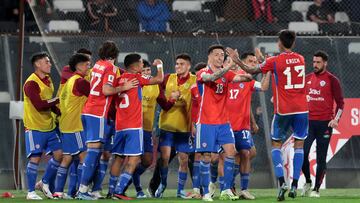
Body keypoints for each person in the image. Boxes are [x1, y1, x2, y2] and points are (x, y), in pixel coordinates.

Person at [227, 30, 308, 201]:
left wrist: (236, 61)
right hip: (302, 110)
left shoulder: (275, 60)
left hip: (284, 110)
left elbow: (252, 69)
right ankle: (294, 184)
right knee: (299, 146)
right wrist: (264, 60)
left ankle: (281, 182)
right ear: (293, 43)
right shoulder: (301, 59)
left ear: (279, 42)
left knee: (276, 144)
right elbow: (281, 67)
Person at [77, 41, 138, 200]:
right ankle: (82, 190)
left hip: (89, 111)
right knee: (93, 152)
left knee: (96, 153)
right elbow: (106, 90)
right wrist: (123, 88)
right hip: (97, 112)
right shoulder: (110, 68)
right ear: (115, 55)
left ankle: (94, 190)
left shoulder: (98, 65)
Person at [196, 45, 252, 201]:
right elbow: (210, 79)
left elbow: (248, 78)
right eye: (217, 55)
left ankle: (226, 189)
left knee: (231, 152)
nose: (220, 57)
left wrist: (238, 62)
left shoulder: (227, 74)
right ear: (209, 57)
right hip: (206, 122)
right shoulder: (203, 72)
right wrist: (228, 67)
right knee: (206, 157)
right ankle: (206, 193)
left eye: (222, 55)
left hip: (223, 123)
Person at [111, 53, 164, 200]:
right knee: (133, 160)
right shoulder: (136, 78)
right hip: (133, 126)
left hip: (120, 125)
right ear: (134, 66)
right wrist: (159, 65)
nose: (143, 66)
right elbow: (159, 78)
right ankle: (119, 191)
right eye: (141, 63)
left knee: (119, 159)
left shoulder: (119, 80)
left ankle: (111, 190)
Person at [227, 52, 271, 200]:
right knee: (224, 157)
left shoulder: (249, 80)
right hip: (226, 126)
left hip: (242, 125)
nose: (253, 64)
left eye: (254, 61)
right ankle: (223, 184)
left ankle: (243, 189)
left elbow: (264, 87)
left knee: (247, 153)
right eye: (250, 62)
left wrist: (268, 69)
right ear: (242, 63)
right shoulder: (230, 76)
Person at [302, 51, 344, 198]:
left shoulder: (332, 80)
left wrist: (336, 119)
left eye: (318, 62)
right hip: (308, 123)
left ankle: (316, 189)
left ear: (325, 63)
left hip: (325, 124)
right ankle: (307, 181)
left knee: (321, 157)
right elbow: (297, 97)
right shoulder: (306, 79)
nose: (315, 65)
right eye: (313, 62)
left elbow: (340, 103)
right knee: (302, 153)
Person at [154, 54, 196, 199]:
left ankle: (180, 191)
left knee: (184, 159)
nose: (178, 66)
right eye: (177, 64)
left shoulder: (195, 80)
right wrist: (169, 99)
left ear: (189, 66)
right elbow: (158, 94)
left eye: (182, 64)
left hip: (185, 128)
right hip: (167, 126)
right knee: (164, 158)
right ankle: (163, 184)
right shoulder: (167, 78)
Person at [23, 52, 62, 200]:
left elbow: (47, 101)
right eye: (46, 62)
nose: (50, 64)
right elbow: (39, 105)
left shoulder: (48, 79)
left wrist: (58, 112)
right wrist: (57, 100)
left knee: (59, 155)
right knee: (35, 159)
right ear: (38, 64)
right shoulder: (31, 83)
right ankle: (30, 192)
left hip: (49, 126)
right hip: (35, 127)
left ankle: (44, 182)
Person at [52, 53, 91, 199]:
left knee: (67, 158)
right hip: (76, 125)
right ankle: (82, 192)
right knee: (84, 156)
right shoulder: (80, 82)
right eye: (87, 64)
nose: (89, 67)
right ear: (79, 65)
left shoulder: (70, 81)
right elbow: (96, 94)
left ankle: (58, 191)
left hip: (66, 124)